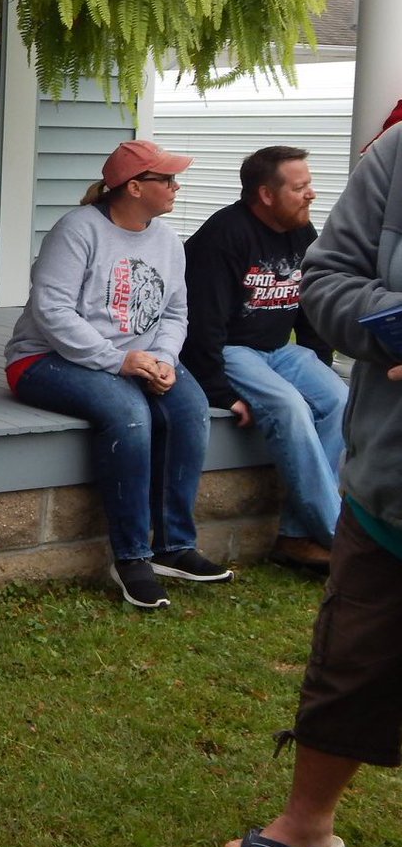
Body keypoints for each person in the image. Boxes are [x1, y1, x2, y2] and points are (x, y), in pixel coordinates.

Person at [208, 122, 402, 847]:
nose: (311, 191)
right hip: (389, 490)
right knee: (348, 662)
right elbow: (325, 285)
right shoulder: (394, 156)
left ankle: (303, 527)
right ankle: (305, 822)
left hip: (282, 361)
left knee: (308, 400)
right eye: (297, 184)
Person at [4, 139, 232, 610]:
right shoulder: (78, 231)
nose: (175, 186)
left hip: (137, 360)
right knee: (129, 413)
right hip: (44, 358)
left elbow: (174, 313)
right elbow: (52, 311)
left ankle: (175, 546)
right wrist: (117, 360)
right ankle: (131, 558)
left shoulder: (167, 240)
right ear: (133, 187)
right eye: (165, 179)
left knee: (189, 409)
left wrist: (165, 358)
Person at [181, 146, 349, 574]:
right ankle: (342, 540)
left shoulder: (301, 231)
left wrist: (318, 360)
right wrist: (219, 391)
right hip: (232, 350)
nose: (311, 194)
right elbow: (203, 328)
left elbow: (311, 305)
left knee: (339, 402)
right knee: (289, 408)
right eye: (300, 187)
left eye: (309, 184)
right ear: (266, 194)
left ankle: (296, 537)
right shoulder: (224, 236)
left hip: (282, 350)